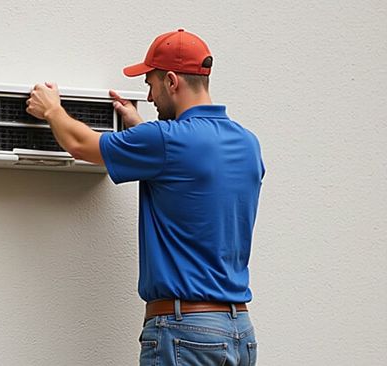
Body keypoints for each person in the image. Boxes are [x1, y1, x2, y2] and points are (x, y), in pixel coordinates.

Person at [26, 29, 264, 366]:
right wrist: (141, 133)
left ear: (171, 81)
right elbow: (192, 182)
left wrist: (52, 110)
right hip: (238, 331)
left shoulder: (165, 141)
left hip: (185, 333)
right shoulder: (247, 143)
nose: (149, 97)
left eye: (150, 84)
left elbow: (81, 145)